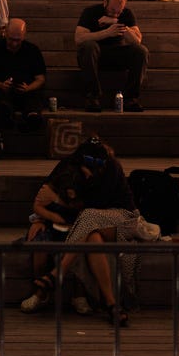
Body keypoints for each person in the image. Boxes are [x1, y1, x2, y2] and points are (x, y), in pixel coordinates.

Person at [19, 137, 140, 326]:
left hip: (122, 219)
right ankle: (111, 304)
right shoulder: (68, 166)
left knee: (89, 216)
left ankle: (57, 273)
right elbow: (43, 198)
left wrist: (58, 203)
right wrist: (41, 218)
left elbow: (85, 211)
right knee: (92, 238)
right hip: (88, 226)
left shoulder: (111, 169)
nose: (93, 173)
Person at [75, 0, 147, 112]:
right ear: (105, 2)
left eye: (119, 12)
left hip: (118, 55)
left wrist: (117, 21)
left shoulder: (126, 14)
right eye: (112, 10)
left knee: (141, 51)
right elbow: (79, 38)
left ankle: (130, 98)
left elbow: (137, 41)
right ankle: (93, 96)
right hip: (95, 56)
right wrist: (106, 33)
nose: (115, 13)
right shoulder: (90, 12)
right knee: (89, 46)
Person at [0, 18, 47, 132]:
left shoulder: (32, 50)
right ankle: (6, 119)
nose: (14, 43)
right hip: (2, 91)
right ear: (5, 33)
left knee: (33, 101)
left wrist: (28, 88)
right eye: (11, 39)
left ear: (24, 35)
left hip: (27, 92)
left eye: (18, 40)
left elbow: (40, 79)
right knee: (1, 102)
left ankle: (32, 119)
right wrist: (0, 85)